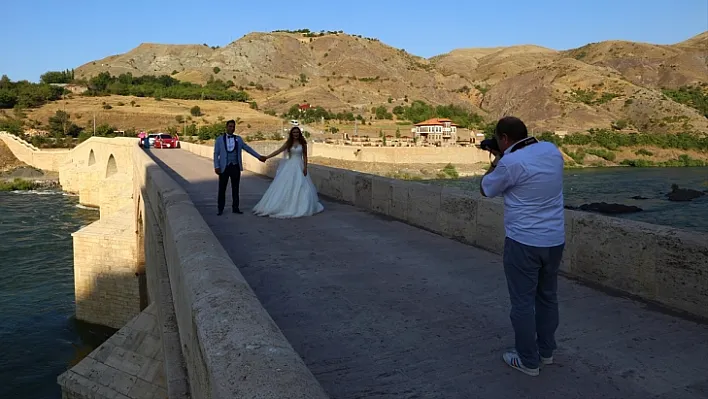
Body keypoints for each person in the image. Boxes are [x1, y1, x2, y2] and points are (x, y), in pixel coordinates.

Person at [479, 116, 565, 377]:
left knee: (523, 303)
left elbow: (486, 190)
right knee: (548, 297)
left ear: (503, 139)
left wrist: (495, 159)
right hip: (554, 240)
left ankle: (528, 361)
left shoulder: (509, 162)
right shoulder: (551, 150)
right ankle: (546, 352)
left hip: (524, 242)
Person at [252, 126, 324, 218]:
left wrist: (305, 167)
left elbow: (305, 156)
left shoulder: (303, 143)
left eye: (297, 132)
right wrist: (266, 157)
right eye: (294, 132)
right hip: (289, 166)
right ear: (291, 134)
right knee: (285, 186)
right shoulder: (288, 143)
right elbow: (278, 151)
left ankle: (300, 205)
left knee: (301, 186)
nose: (296, 134)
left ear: (299, 133)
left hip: (299, 166)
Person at [213, 119, 266, 215]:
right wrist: (216, 166)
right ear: (226, 127)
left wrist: (259, 157)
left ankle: (235, 208)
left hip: (235, 166)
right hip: (224, 167)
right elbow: (216, 153)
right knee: (222, 188)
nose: (232, 128)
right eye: (230, 126)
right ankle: (220, 208)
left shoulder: (239, 139)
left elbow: (248, 149)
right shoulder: (219, 139)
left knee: (236, 188)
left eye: (233, 127)